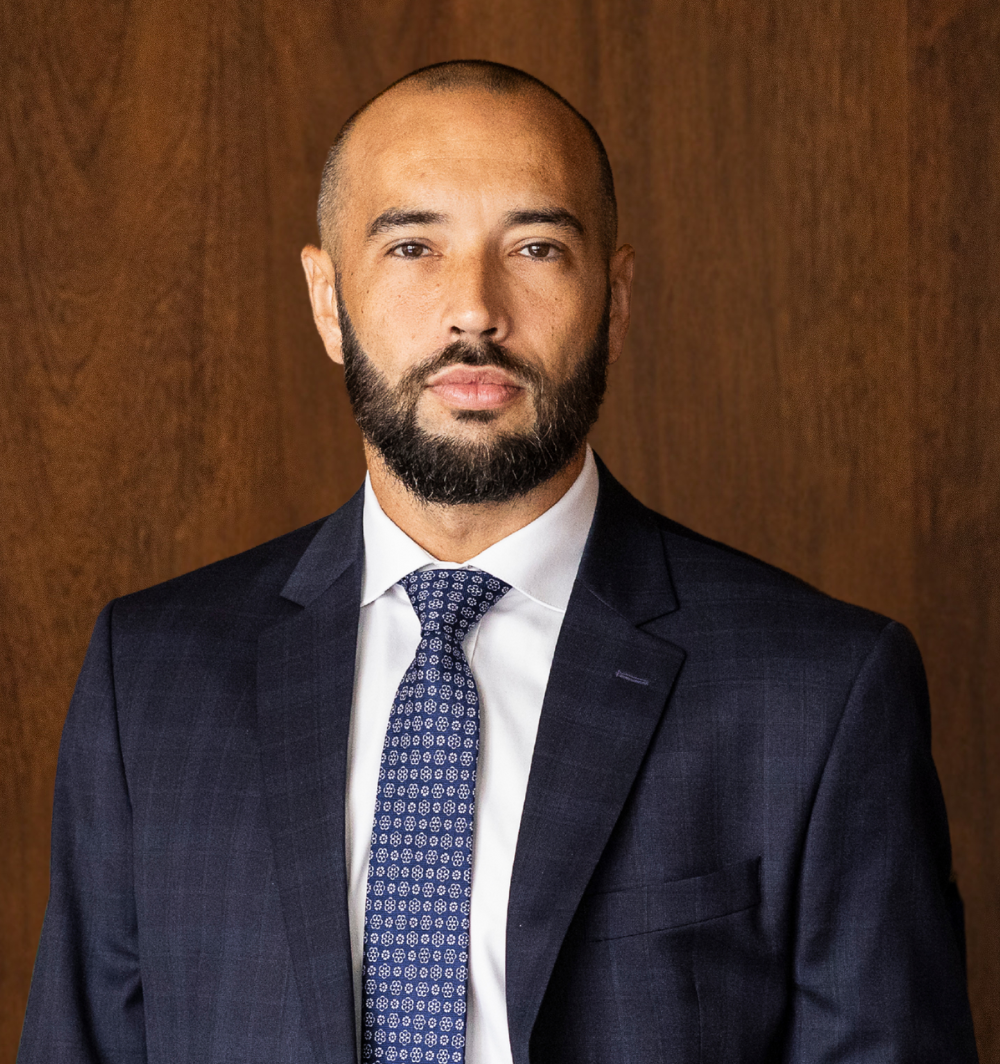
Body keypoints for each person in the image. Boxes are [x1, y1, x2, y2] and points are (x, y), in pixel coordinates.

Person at [19, 60, 978, 1064]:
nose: (473, 310)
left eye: (534, 247)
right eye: (412, 246)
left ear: (613, 297)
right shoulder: (153, 677)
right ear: (325, 297)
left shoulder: (818, 691)